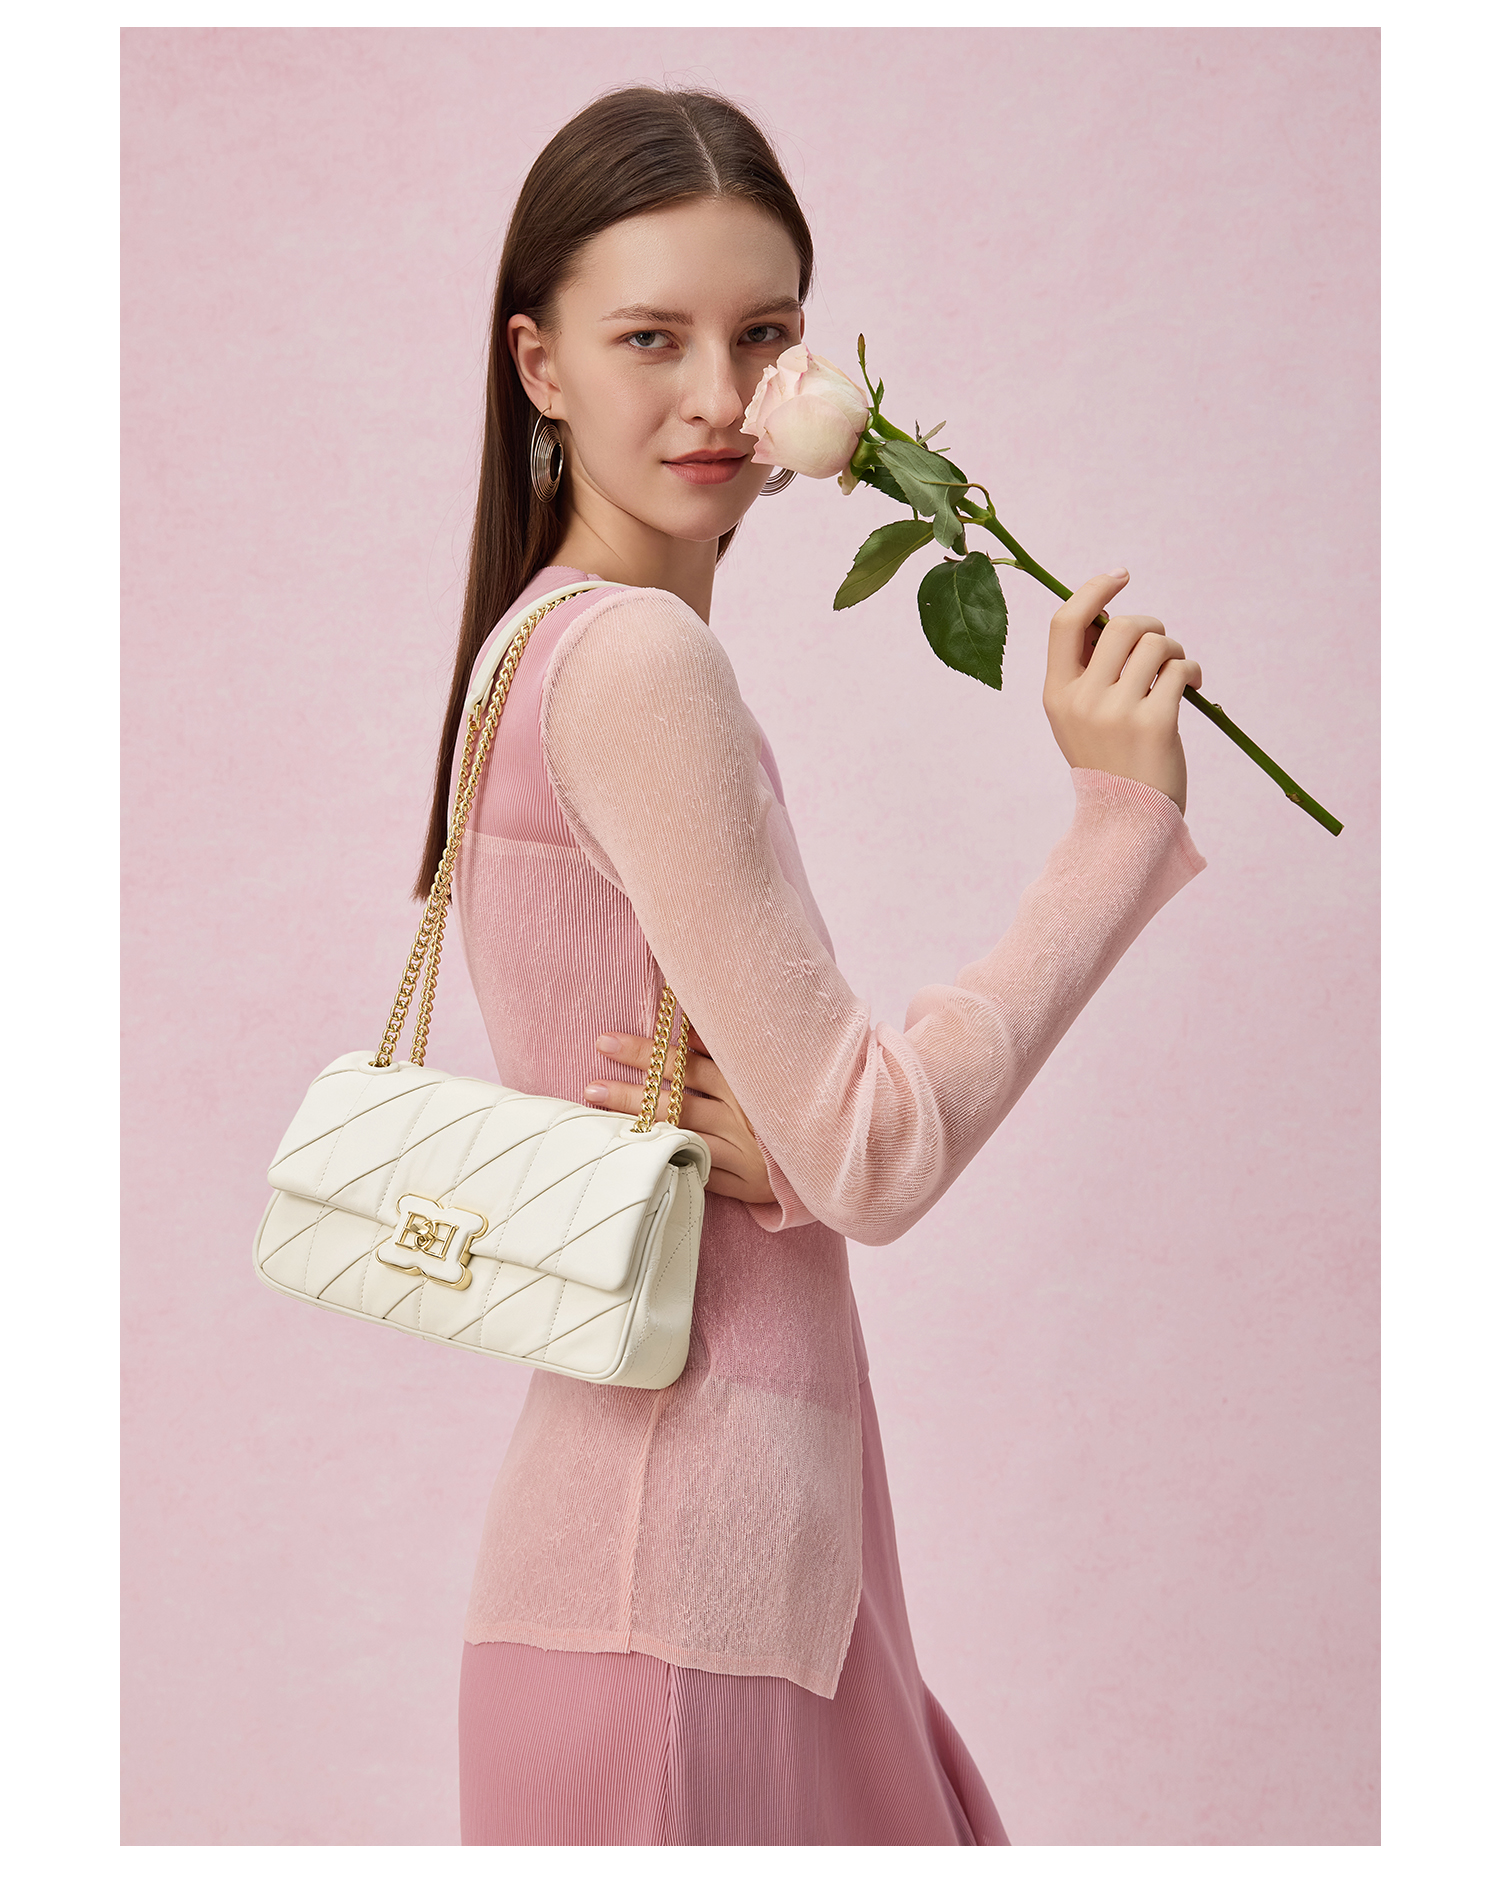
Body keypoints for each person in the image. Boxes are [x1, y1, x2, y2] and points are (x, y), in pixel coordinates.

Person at [421, 85, 1206, 1847]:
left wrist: (786, 1143)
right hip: (687, 1612)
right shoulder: (636, 664)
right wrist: (1119, 821)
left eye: (763, 334)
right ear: (540, 365)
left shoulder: (525, 649)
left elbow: (807, 1144)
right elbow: (868, 1150)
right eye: (651, 338)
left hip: (683, 1583)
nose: (719, 394)